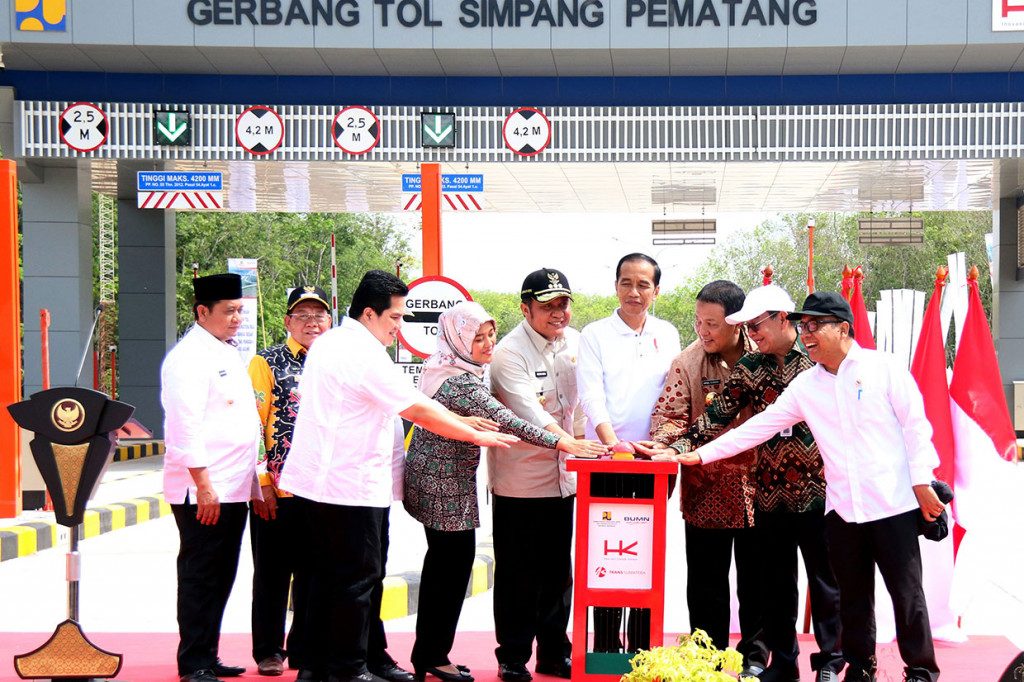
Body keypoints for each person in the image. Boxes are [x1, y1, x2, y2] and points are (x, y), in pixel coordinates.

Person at [660, 291, 944, 682]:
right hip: (834, 508)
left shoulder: (884, 369)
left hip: (884, 503)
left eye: (814, 326)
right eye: (804, 326)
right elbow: (752, 428)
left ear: (842, 328)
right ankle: (858, 670)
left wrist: (922, 481)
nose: (807, 334)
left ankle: (918, 670)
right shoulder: (805, 385)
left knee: (905, 594)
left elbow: (916, 427)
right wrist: (694, 454)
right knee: (851, 598)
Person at [277, 270, 520, 682]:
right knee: (355, 582)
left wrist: (466, 424)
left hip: (327, 484)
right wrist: (473, 431)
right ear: (369, 314)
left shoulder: (336, 341)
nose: (399, 326)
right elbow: (417, 409)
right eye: (394, 318)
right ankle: (349, 669)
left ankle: (329, 663)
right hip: (347, 487)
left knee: (329, 578)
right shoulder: (361, 353)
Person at [405, 301, 606, 682]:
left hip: (451, 482)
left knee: (453, 569)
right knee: (452, 572)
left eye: (488, 335)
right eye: (476, 338)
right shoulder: (461, 377)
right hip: (444, 486)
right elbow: (510, 418)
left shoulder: (452, 367)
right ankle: (436, 655)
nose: (486, 344)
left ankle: (432, 653)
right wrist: (565, 444)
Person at [655, 284, 841, 682]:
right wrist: (679, 447)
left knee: (827, 582)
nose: (753, 335)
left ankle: (832, 661)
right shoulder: (749, 370)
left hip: (821, 492)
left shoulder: (818, 361)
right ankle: (784, 664)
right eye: (748, 328)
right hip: (768, 495)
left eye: (757, 326)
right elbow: (716, 417)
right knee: (776, 588)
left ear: (781, 318)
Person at [648, 279, 768, 680]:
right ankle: (707, 657)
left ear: (737, 323)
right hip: (706, 490)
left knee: (757, 580)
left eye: (713, 324)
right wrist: (666, 444)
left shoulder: (764, 356)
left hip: (762, 488)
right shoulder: (687, 362)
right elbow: (668, 418)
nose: (704, 331)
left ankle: (754, 657)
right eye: (699, 322)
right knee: (706, 583)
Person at [487, 268, 589, 682]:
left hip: (565, 481)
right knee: (516, 574)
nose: (557, 312)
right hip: (520, 483)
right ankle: (512, 657)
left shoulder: (577, 343)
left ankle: (552, 652)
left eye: (563, 303)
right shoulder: (508, 352)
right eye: (547, 305)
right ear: (526, 307)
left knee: (557, 573)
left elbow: (585, 402)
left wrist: (589, 445)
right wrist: (569, 441)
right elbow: (526, 410)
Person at [577, 253, 682, 653]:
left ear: (656, 290)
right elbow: (591, 395)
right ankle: (604, 649)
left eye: (643, 285)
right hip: (606, 464)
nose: (634, 293)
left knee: (643, 557)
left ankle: (641, 650)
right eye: (626, 283)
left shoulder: (668, 334)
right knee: (607, 554)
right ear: (615, 285)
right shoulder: (595, 335)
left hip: (655, 465)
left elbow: (672, 394)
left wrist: (662, 444)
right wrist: (612, 444)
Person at [162, 273, 261, 682]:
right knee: (201, 575)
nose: (237, 318)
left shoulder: (224, 351)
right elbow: (184, 428)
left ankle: (209, 652)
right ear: (203, 312)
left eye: (240, 310)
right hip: (204, 488)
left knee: (222, 574)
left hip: (234, 487)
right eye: (229, 311)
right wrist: (203, 484)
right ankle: (193, 661)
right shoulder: (188, 358)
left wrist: (255, 483)